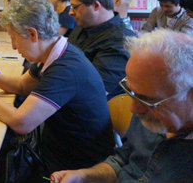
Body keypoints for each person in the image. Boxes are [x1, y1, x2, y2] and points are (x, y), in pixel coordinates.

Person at [0, 0, 114, 181]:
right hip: (56, 149)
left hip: (72, 168)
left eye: (14, 38)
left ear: (33, 34)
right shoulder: (54, 51)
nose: (13, 46)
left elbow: (21, 123)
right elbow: (22, 85)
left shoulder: (66, 69)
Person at [51, 29, 193, 183]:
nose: (133, 108)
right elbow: (122, 161)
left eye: (147, 99)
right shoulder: (148, 111)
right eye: (132, 92)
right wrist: (83, 176)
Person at [67, 0, 136, 100]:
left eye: (74, 7)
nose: (70, 12)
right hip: (63, 98)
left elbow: (91, 93)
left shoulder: (121, 41)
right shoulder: (82, 26)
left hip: (87, 111)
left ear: (96, 6)